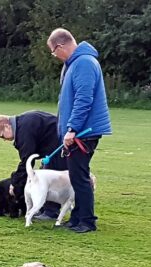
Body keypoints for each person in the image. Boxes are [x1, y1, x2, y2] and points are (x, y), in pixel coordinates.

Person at [46, 28, 112, 233]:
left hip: (84, 132)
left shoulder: (83, 63)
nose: (55, 56)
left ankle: (87, 221)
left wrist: (72, 129)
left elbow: (84, 99)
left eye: (53, 52)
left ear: (60, 46)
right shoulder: (74, 64)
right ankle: (77, 218)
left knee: (80, 176)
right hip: (78, 131)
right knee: (76, 175)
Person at [0, 111, 65, 221]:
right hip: (56, 144)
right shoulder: (23, 122)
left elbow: (27, 160)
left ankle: (51, 212)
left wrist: (14, 182)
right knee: (47, 174)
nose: (4, 140)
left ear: (7, 126)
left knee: (51, 178)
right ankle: (46, 209)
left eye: (2, 136)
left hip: (59, 146)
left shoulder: (23, 130)